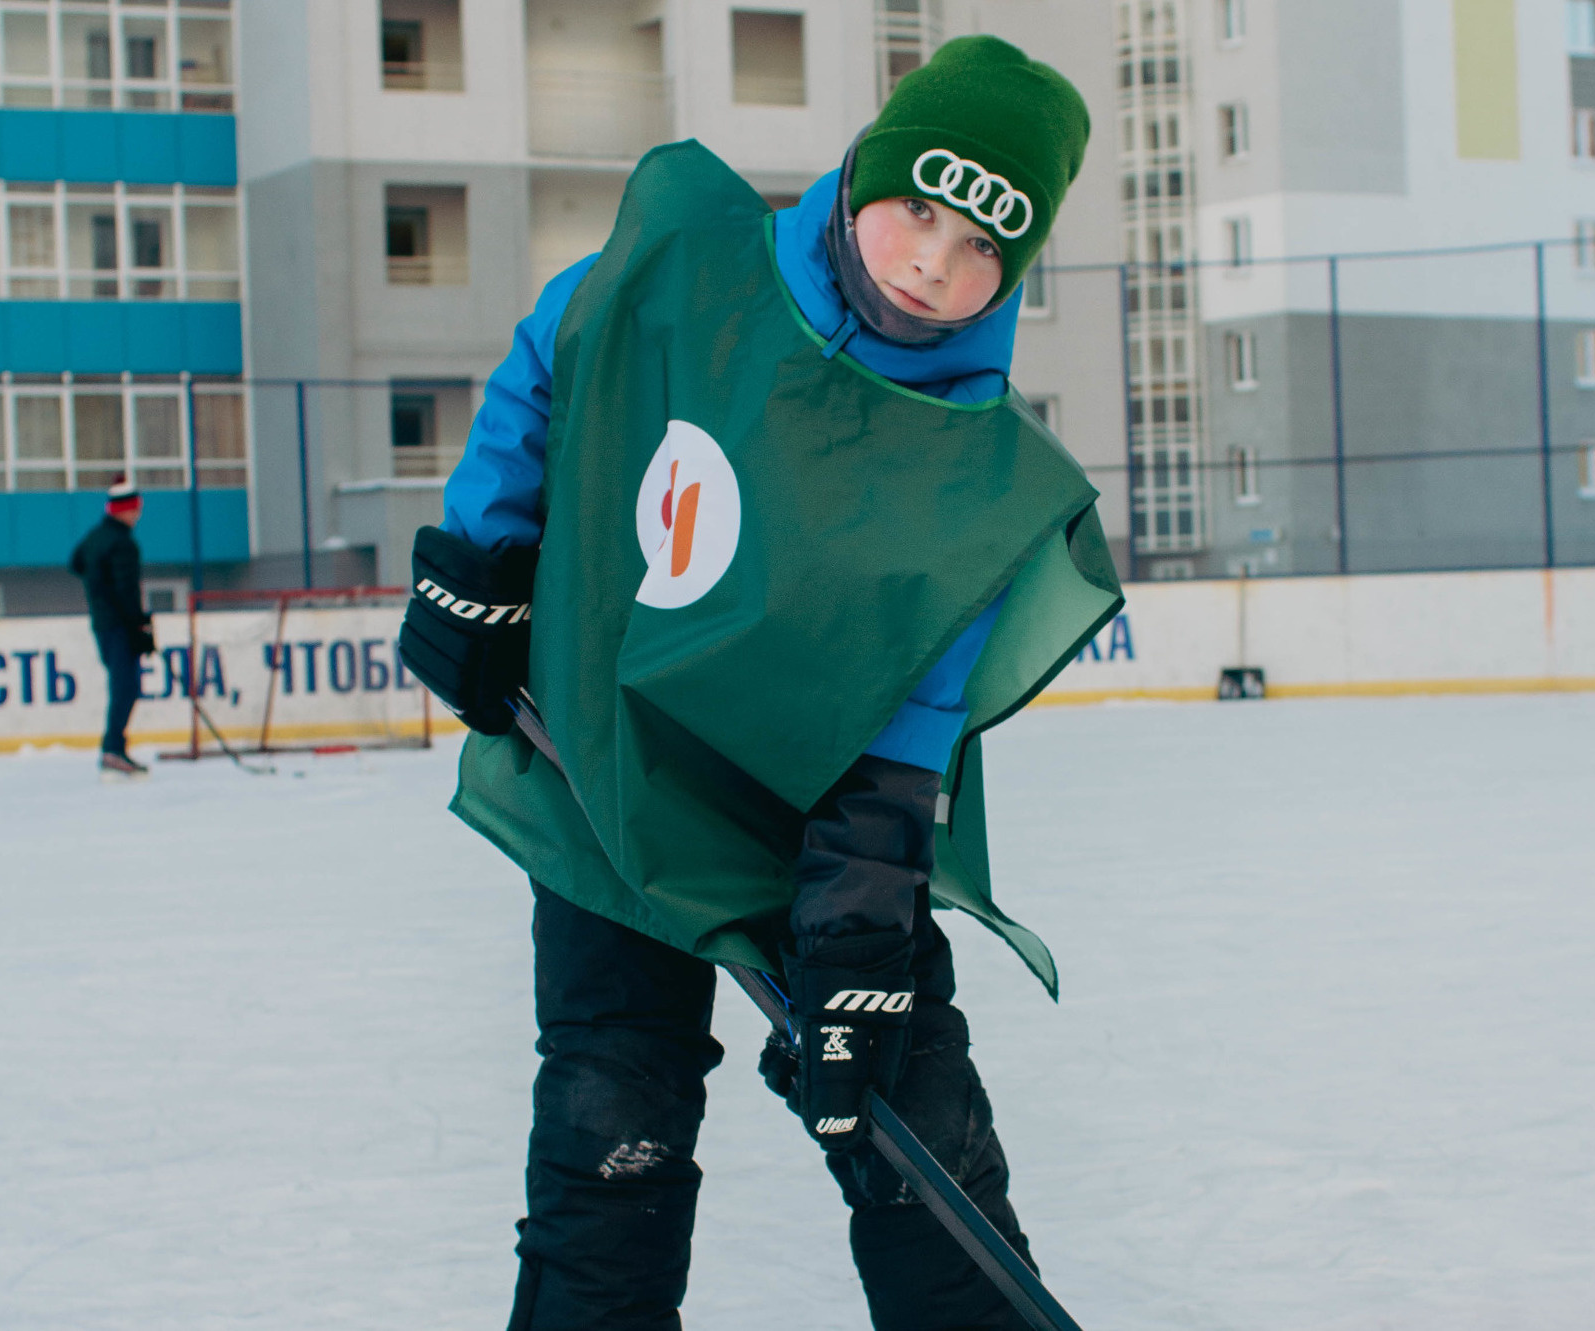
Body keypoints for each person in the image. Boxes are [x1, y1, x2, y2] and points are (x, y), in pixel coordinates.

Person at [400, 37, 1120, 1331]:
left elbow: (904, 726)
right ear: (864, 182)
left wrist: (856, 929)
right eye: (922, 213)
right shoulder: (687, 267)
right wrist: (482, 551)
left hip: (805, 810)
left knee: (911, 1117)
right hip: (609, 771)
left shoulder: (973, 475)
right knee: (610, 1112)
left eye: (981, 252)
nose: (931, 267)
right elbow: (557, 355)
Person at [70, 477, 156, 777]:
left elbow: (76, 562)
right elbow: (126, 590)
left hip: (103, 623)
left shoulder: (96, 536)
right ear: (126, 510)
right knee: (126, 686)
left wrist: (98, 592)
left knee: (122, 685)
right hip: (120, 625)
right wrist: (140, 626)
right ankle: (113, 750)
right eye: (136, 509)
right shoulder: (123, 543)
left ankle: (113, 748)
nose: (139, 515)